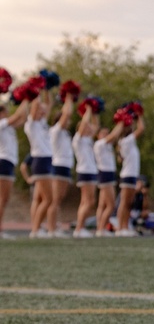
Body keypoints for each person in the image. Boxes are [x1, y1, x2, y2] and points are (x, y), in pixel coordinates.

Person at [24, 78, 56, 238]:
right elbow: (36, 105)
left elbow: (48, 104)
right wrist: (35, 87)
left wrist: (46, 88)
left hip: (46, 161)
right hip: (40, 161)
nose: (43, 111)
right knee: (49, 199)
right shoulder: (31, 123)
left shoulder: (42, 123)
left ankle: (37, 228)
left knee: (42, 198)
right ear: (34, 111)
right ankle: (35, 230)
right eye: (40, 110)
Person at [47, 86, 78, 236]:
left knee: (59, 199)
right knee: (55, 199)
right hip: (58, 166)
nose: (69, 121)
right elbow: (67, 113)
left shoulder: (65, 133)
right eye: (66, 119)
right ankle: (51, 228)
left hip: (65, 166)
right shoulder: (55, 131)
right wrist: (69, 98)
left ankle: (54, 226)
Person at [0, 92, 30, 239]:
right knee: (2, 199)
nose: (7, 113)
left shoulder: (8, 127)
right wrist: (25, 97)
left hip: (9, 162)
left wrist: (29, 101)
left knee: (4, 199)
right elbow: (17, 116)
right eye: (5, 111)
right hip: (3, 162)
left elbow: (23, 119)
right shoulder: (1, 124)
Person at [114, 105, 145, 236]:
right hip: (127, 175)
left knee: (129, 203)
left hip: (132, 174)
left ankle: (125, 226)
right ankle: (120, 228)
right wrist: (139, 116)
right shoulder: (126, 141)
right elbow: (141, 128)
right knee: (124, 202)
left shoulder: (127, 142)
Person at [71, 101, 101, 238]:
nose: (90, 129)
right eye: (87, 127)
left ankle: (80, 227)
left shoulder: (88, 140)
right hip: (85, 171)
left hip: (90, 171)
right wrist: (88, 109)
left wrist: (95, 111)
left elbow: (96, 125)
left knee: (86, 201)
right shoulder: (79, 139)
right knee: (89, 201)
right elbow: (84, 125)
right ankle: (79, 228)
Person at [93, 124, 118, 236]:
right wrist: (121, 122)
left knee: (102, 204)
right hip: (105, 173)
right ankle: (101, 228)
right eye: (103, 133)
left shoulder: (107, 146)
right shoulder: (99, 144)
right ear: (98, 135)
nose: (106, 135)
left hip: (108, 173)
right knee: (111, 204)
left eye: (107, 133)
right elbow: (114, 135)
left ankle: (100, 227)